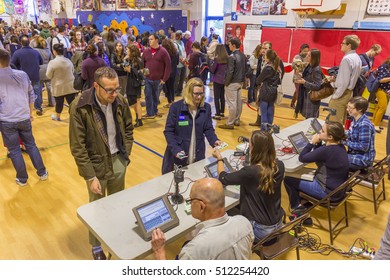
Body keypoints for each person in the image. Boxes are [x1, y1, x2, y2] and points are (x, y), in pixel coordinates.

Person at [69, 67, 134, 260]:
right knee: (96, 208)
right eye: (110, 90)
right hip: (95, 167)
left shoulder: (120, 101)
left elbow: (128, 129)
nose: (115, 94)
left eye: (117, 89)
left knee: (117, 203)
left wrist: (125, 157)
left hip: (118, 162)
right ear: (96, 86)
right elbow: (77, 146)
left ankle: (115, 236)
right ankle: (96, 246)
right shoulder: (79, 106)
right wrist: (90, 176)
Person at [151, 178, 254, 260]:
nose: (190, 204)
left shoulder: (194, 251)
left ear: (201, 206)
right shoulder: (244, 222)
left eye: (190, 200)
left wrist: (159, 251)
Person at [213, 130, 285, 242]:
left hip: (260, 231)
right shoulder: (280, 165)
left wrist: (219, 159)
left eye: (250, 144)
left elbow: (223, 178)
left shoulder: (250, 172)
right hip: (278, 224)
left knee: (225, 212)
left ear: (254, 148)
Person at [0, 49, 48, 186]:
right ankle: (42, 172)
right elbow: (31, 96)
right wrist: (30, 113)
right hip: (24, 117)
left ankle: (22, 179)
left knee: (14, 150)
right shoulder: (22, 74)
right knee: (31, 145)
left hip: (7, 120)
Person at [284, 121, 349, 214]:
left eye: (322, 131)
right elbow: (318, 153)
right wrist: (318, 142)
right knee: (300, 174)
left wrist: (311, 143)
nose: (319, 131)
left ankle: (297, 209)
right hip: (338, 190)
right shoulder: (340, 146)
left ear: (330, 137)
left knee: (288, 179)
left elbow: (302, 158)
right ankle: (303, 202)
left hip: (327, 193)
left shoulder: (326, 150)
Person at [162, 78, 222, 174]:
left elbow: (208, 128)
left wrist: (214, 140)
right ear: (188, 93)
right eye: (196, 94)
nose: (199, 97)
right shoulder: (176, 108)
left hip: (197, 154)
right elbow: (169, 131)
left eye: (201, 93)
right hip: (178, 156)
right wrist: (176, 149)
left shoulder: (206, 108)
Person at [329, 35, 361, 124]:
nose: (341, 44)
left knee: (334, 123)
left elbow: (344, 83)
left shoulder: (347, 59)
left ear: (349, 45)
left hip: (341, 93)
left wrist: (335, 97)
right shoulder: (357, 57)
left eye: (343, 43)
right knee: (340, 121)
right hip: (348, 93)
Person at [11, 36, 43, 115]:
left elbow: (12, 64)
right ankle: (38, 108)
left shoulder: (17, 53)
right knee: (36, 92)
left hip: (23, 76)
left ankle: (25, 109)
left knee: (24, 92)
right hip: (35, 75)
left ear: (21, 43)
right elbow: (41, 62)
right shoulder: (36, 52)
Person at [218, 37, 246, 130]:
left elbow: (230, 71)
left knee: (232, 104)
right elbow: (246, 69)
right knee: (238, 102)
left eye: (229, 44)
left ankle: (230, 123)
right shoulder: (243, 55)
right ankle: (237, 119)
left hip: (232, 82)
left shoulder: (231, 57)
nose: (228, 46)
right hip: (240, 82)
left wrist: (226, 83)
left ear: (233, 45)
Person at [142, 34, 171, 119]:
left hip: (159, 79)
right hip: (147, 78)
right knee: (148, 96)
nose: (149, 41)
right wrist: (143, 73)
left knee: (155, 96)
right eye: (149, 39)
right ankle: (150, 113)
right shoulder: (146, 51)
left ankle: (154, 111)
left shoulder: (163, 51)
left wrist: (164, 79)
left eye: (151, 39)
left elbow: (168, 66)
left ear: (156, 40)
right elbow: (142, 63)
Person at [46, 44, 78, 121]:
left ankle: (58, 117)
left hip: (58, 86)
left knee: (59, 103)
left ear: (55, 51)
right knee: (71, 103)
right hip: (70, 85)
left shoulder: (52, 62)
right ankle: (75, 117)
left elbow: (48, 75)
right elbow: (73, 71)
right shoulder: (68, 60)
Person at [345, 97, 376, 171]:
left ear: (360, 109)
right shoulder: (356, 119)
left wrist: (345, 142)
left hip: (362, 159)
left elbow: (363, 147)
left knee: (332, 158)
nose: (347, 109)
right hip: (355, 154)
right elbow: (350, 133)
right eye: (347, 107)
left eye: (350, 108)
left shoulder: (364, 125)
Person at [256, 49, 281, 131]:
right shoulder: (277, 67)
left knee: (264, 112)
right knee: (270, 111)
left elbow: (258, 80)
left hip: (266, 90)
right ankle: (269, 129)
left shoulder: (268, 68)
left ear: (268, 57)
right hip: (274, 90)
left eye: (265, 55)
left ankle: (263, 130)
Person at [294, 49, 323, 119]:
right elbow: (310, 78)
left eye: (309, 56)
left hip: (312, 98)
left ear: (314, 58)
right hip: (307, 95)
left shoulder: (316, 69)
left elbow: (318, 86)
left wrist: (304, 82)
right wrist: (302, 76)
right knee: (307, 118)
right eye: (307, 54)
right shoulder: (309, 66)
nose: (307, 56)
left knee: (310, 119)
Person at [124, 44, 144, 128]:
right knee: (133, 102)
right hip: (131, 82)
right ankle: (137, 117)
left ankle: (139, 119)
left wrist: (125, 61)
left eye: (127, 50)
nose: (126, 51)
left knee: (137, 101)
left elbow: (128, 69)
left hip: (135, 83)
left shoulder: (137, 60)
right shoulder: (131, 60)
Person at [209, 44, 228, 120]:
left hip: (217, 79)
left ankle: (217, 113)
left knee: (216, 97)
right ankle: (222, 112)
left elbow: (212, 70)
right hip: (224, 80)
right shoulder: (227, 58)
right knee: (222, 96)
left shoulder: (216, 59)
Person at [372, 57, 390, 132]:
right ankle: (376, 125)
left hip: (387, 91)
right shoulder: (383, 67)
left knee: (379, 107)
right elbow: (381, 80)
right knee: (383, 107)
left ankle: (374, 123)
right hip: (380, 89)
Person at [291, 43, 310, 109]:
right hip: (298, 78)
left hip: (304, 79)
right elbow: (297, 69)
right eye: (304, 51)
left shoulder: (307, 57)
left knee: (297, 91)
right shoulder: (297, 57)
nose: (306, 52)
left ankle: (292, 103)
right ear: (301, 50)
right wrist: (304, 64)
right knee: (299, 92)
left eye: (307, 51)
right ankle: (299, 107)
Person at [161, 38, 179, 108]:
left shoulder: (164, 53)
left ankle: (169, 102)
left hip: (166, 72)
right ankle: (172, 100)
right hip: (174, 71)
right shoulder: (176, 52)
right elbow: (177, 63)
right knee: (172, 87)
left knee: (167, 88)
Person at [173, 30, 186, 97]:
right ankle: (174, 92)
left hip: (183, 64)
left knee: (182, 78)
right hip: (178, 65)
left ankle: (179, 91)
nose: (183, 36)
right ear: (179, 35)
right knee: (177, 79)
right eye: (182, 35)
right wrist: (181, 60)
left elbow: (184, 51)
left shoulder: (182, 43)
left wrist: (184, 58)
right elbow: (176, 54)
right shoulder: (175, 43)